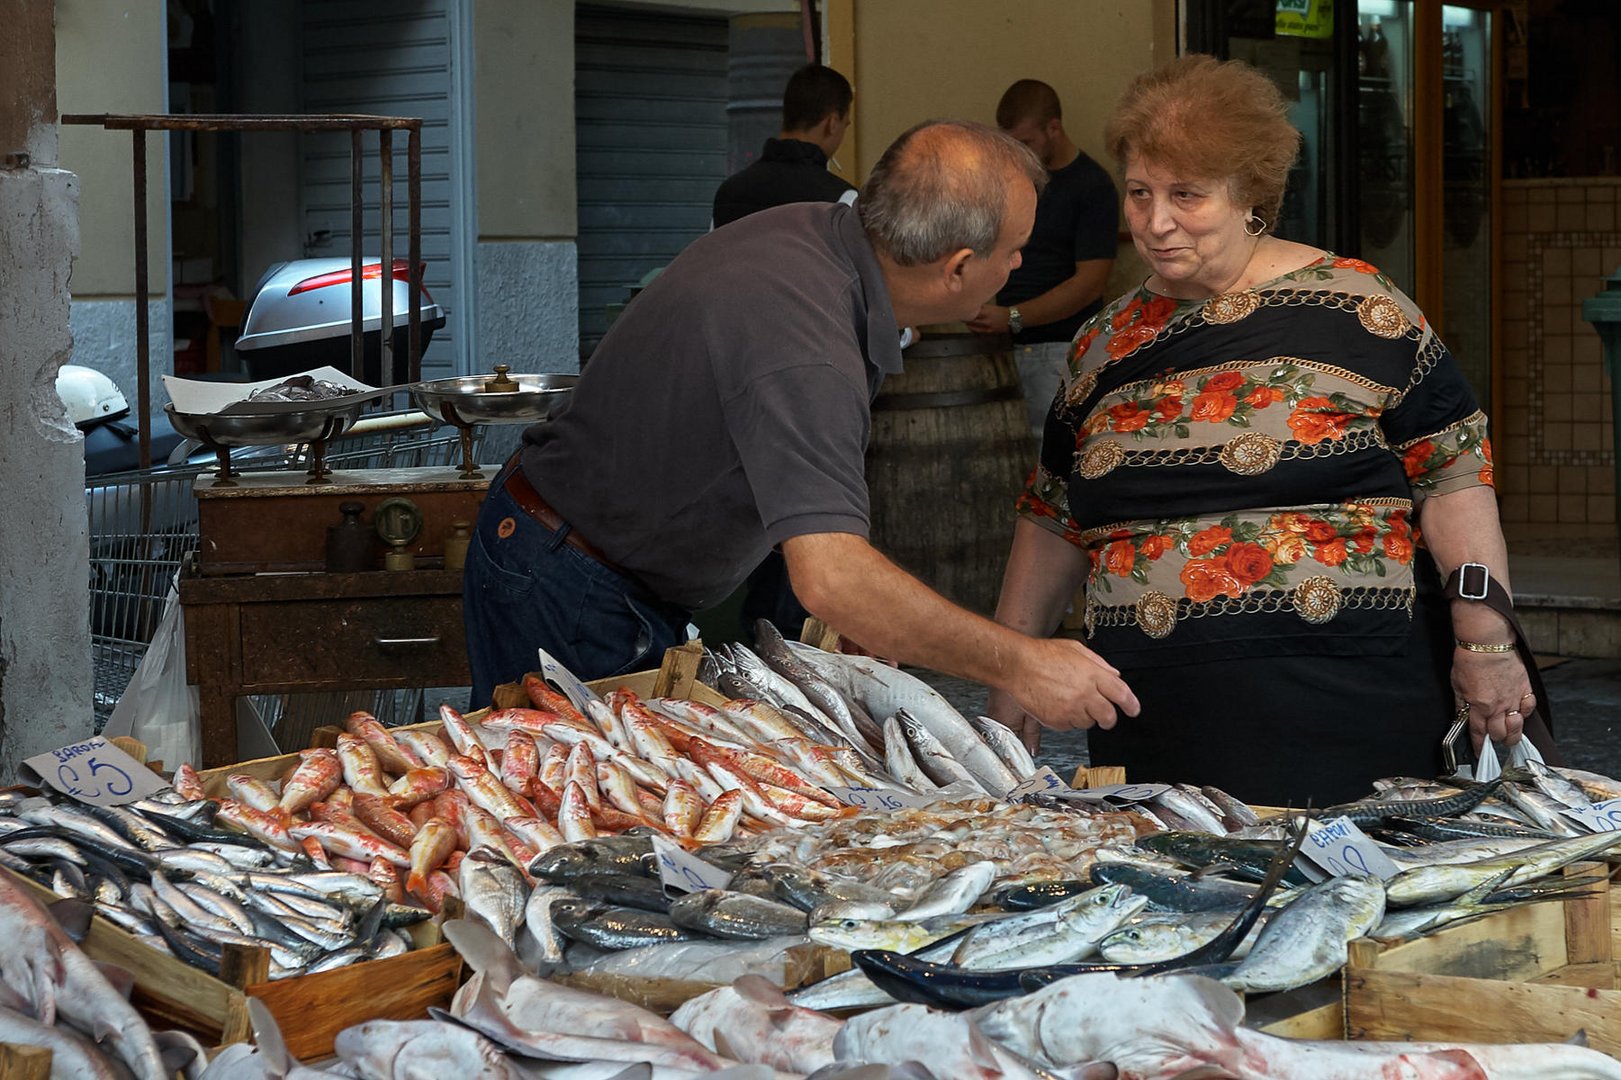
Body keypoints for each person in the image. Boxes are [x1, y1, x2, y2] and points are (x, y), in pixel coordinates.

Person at [463, 120, 1139, 740]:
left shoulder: (818, 234)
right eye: (1015, 251)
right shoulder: (806, 341)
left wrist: (871, 615)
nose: (1019, 265)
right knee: (585, 838)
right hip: (568, 578)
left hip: (598, 560)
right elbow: (832, 579)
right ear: (958, 267)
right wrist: (1020, 664)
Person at [985, 55, 1533, 807]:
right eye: (1139, 193)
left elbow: (1453, 474)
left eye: (1186, 195)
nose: (1154, 222)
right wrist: (1012, 661)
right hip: (1154, 718)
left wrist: (1485, 643)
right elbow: (1052, 511)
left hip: (1349, 709)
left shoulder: (1360, 309)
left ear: (1251, 197)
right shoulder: (1103, 342)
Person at [711, 63, 858, 641]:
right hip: (813, 376)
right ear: (831, 122)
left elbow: (710, 283)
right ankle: (792, 645)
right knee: (808, 512)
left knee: (752, 512)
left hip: (738, 375)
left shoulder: (731, 192)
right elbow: (855, 292)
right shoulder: (842, 198)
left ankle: (752, 637)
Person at [967, 79, 1119, 437]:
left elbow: (1090, 283)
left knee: (1047, 456)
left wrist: (1014, 317)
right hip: (1006, 345)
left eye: (1026, 143)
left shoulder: (1092, 186)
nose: (1018, 153)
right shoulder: (1016, 182)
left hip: (1060, 348)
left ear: (1054, 128)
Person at [712, 63, 855, 229]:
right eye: (846, 124)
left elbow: (711, 253)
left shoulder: (728, 194)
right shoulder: (842, 201)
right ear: (833, 123)